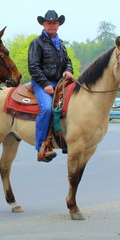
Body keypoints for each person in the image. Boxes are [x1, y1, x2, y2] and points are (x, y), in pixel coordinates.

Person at [28, 10, 74, 162]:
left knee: (73, 105)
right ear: (43, 24)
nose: (52, 26)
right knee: (47, 108)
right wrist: (45, 84)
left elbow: (67, 60)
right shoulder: (37, 42)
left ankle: (66, 139)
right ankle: (42, 146)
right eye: (49, 23)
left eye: (54, 23)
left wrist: (68, 70)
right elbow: (33, 66)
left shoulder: (60, 43)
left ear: (58, 24)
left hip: (60, 83)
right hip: (42, 83)